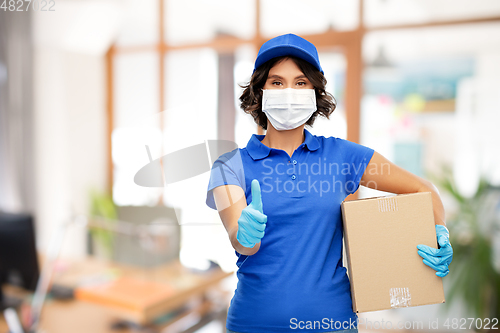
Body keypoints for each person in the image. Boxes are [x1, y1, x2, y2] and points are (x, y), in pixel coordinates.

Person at [205, 33, 453, 333]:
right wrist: (246, 233)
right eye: (277, 82)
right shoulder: (229, 166)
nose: (289, 91)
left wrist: (439, 232)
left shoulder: (343, 156)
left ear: (314, 92)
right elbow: (242, 242)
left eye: (300, 82)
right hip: (253, 323)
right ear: (259, 91)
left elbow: (424, 190)